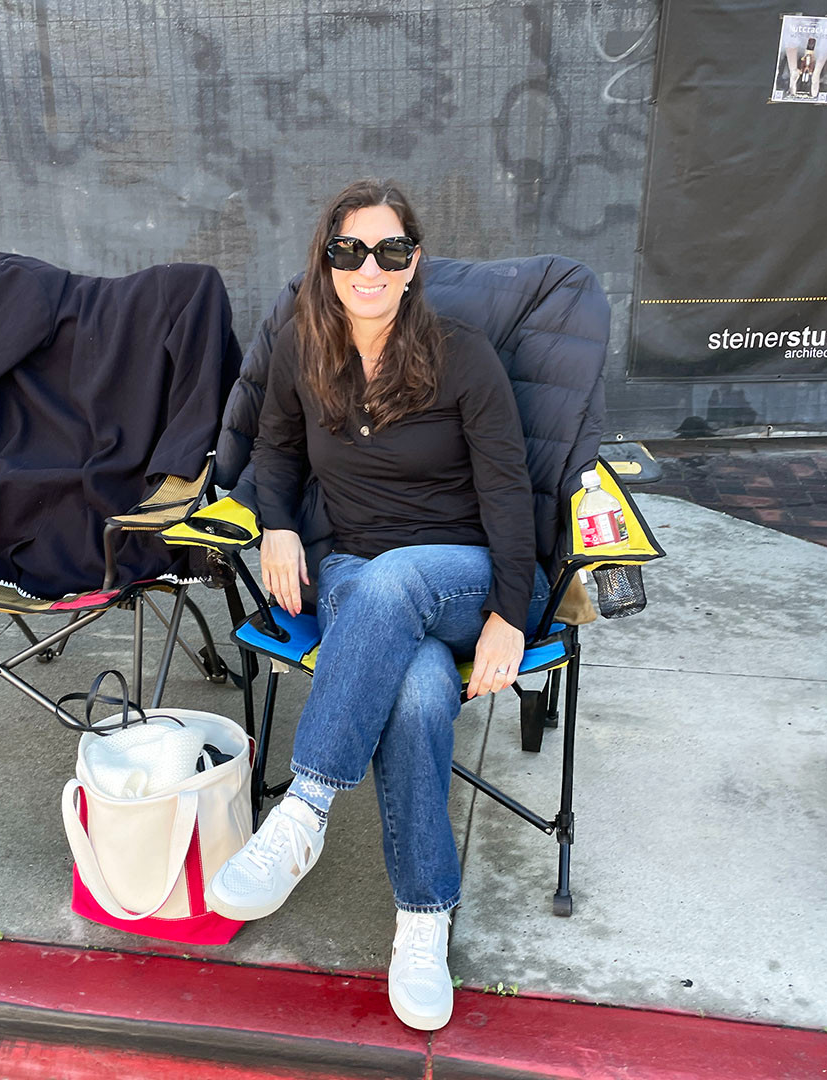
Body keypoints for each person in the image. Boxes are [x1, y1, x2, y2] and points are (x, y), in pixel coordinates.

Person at [205, 179, 541, 1030]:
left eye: (390, 251)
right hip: (352, 568)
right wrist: (276, 528)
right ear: (327, 260)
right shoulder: (300, 347)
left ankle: (303, 810)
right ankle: (424, 921)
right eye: (349, 250)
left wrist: (507, 611)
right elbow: (276, 452)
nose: (369, 267)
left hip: (465, 574)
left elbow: (507, 488)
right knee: (421, 689)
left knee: (397, 583)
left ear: (412, 262)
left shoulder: (462, 354)